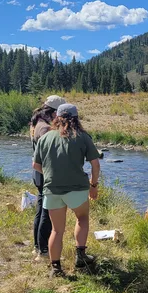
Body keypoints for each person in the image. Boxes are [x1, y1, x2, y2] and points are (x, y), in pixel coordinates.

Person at [33, 103, 100, 278]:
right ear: (76, 118)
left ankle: (56, 268)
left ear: (57, 117)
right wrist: (93, 186)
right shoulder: (82, 136)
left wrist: (51, 175)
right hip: (77, 188)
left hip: (52, 189)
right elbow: (95, 164)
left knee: (56, 230)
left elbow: (36, 165)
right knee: (82, 218)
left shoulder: (45, 138)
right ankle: (81, 256)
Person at [29, 95, 66, 259]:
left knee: (40, 209)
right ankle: (43, 250)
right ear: (54, 112)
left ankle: (38, 247)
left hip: (38, 171)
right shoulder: (45, 128)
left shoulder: (36, 123)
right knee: (47, 211)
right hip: (45, 171)